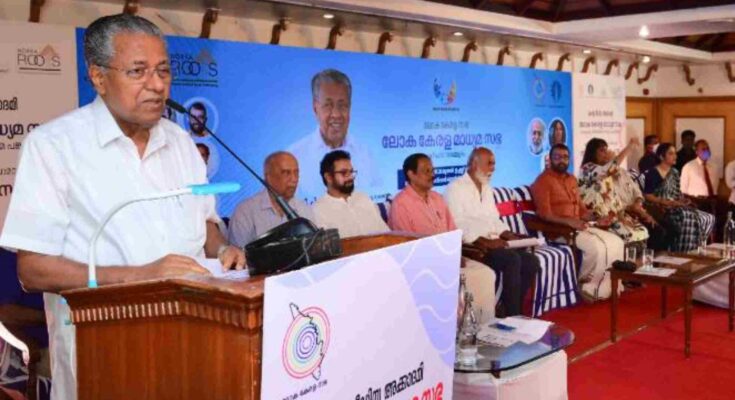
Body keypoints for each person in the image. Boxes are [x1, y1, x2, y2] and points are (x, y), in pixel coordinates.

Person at [0, 14, 245, 400]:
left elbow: (205, 226)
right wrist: (142, 276)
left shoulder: (182, 143)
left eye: (163, 70)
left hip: (194, 342)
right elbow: (34, 270)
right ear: (98, 77)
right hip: (105, 355)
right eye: (138, 71)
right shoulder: (53, 147)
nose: (157, 84)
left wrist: (224, 250)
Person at [388, 153, 496, 319]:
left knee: (486, 274)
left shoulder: (437, 198)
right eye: (426, 171)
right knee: (466, 279)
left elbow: (453, 232)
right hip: (423, 266)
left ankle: (481, 327)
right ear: (411, 174)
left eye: (433, 170)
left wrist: (457, 254)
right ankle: (459, 327)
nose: (432, 175)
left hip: (450, 258)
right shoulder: (400, 204)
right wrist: (443, 259)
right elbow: (406, 248)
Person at [444, 147, 539, 316]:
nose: (493, 168)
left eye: (493, 164)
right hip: (475, 247)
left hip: (495, 242)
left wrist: (508, 234)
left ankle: (509, 307)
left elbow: (494, 219)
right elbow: (457, 224)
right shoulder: (455, 188)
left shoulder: (486, 188)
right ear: (475, 164)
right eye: (490, 163)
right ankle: (513, 315)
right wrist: (485, 241)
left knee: (531, 261)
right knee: (512, 259)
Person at [531, 144, 625, 301]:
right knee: (596, 248)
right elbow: (544, 214)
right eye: (557, 157)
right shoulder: (542, 181)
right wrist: (568, 222)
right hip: (559, 231)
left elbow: (582, 211)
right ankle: (584, 285)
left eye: (565, 157)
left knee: (617, 242)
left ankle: (608, 287)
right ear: (550, 159)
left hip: (579, 227)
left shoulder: (571, 179)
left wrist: (596, 218)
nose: (562, 160)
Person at [287, 69, 379, 201]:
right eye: (328, 105)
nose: (336, 114)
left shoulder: (366, 154)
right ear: (315, 107)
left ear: (350, 107)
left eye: (342, 105)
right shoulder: (294, 157)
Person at [578, 138, 670, 250]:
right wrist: (629, 147)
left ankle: (644, 259)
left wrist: (623, 217)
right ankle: (630, 259)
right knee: (631, 234)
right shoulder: (587, 168)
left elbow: (615, 201)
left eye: (606, 150)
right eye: (602, 150)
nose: (605, 153)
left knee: (643, 231)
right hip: (597, 217)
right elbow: (608, 169)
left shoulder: (610, 175)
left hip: (614, 215)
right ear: (592, 152)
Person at [228, 151, 314, 247]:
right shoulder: (245, 211)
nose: (294, 179)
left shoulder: (304, 209)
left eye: (296, 173)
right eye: (286, 173)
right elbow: (237, 253)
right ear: (268, 177)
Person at [643, 143, 715, 252]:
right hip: (659, 208)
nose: (675, 156)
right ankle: (682, 251)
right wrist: (664, 202)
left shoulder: (675, 172)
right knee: (687, 216)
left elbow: (676, 194)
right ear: (662, 157)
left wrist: (683, 200)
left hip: (675, 205)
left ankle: (694, 249)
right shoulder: (652, 173)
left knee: (708, 218)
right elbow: (647, 195)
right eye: (671, 154)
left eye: (675, 153)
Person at [312, 150, 388, 238]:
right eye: (344, 173)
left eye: (351, 172)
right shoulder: (319, 210)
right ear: (328, 177)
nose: (350, 177)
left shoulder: (363, 198)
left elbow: (386, 233)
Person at [187, 101, 220, 179]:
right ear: (188, 119)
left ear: (205, 119)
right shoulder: (183, 139)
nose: (196, 121)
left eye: (200, 117)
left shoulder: (214, 140)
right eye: (193, 117)